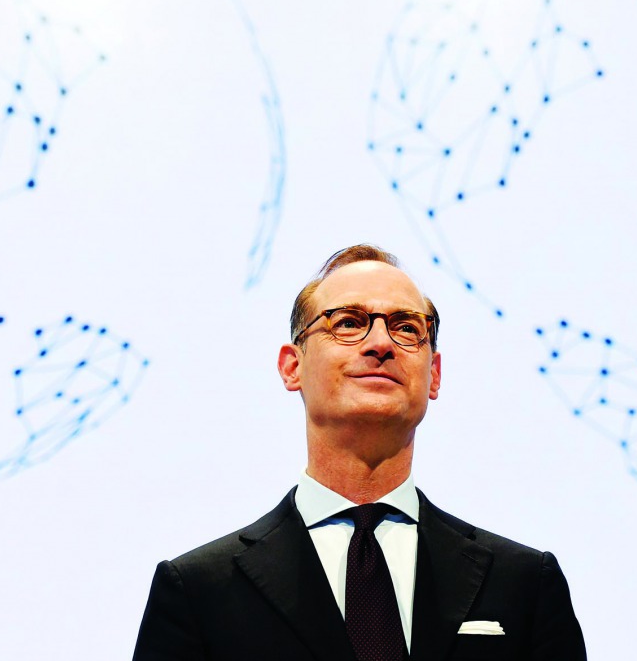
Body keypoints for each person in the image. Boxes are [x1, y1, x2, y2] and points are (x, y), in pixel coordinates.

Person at [132, 244, 586, 660]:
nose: (381, 344)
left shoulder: (524, 583)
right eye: (348, 322)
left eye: (407, 328)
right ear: (293, 366)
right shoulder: (198, 590)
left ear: (434, 376)